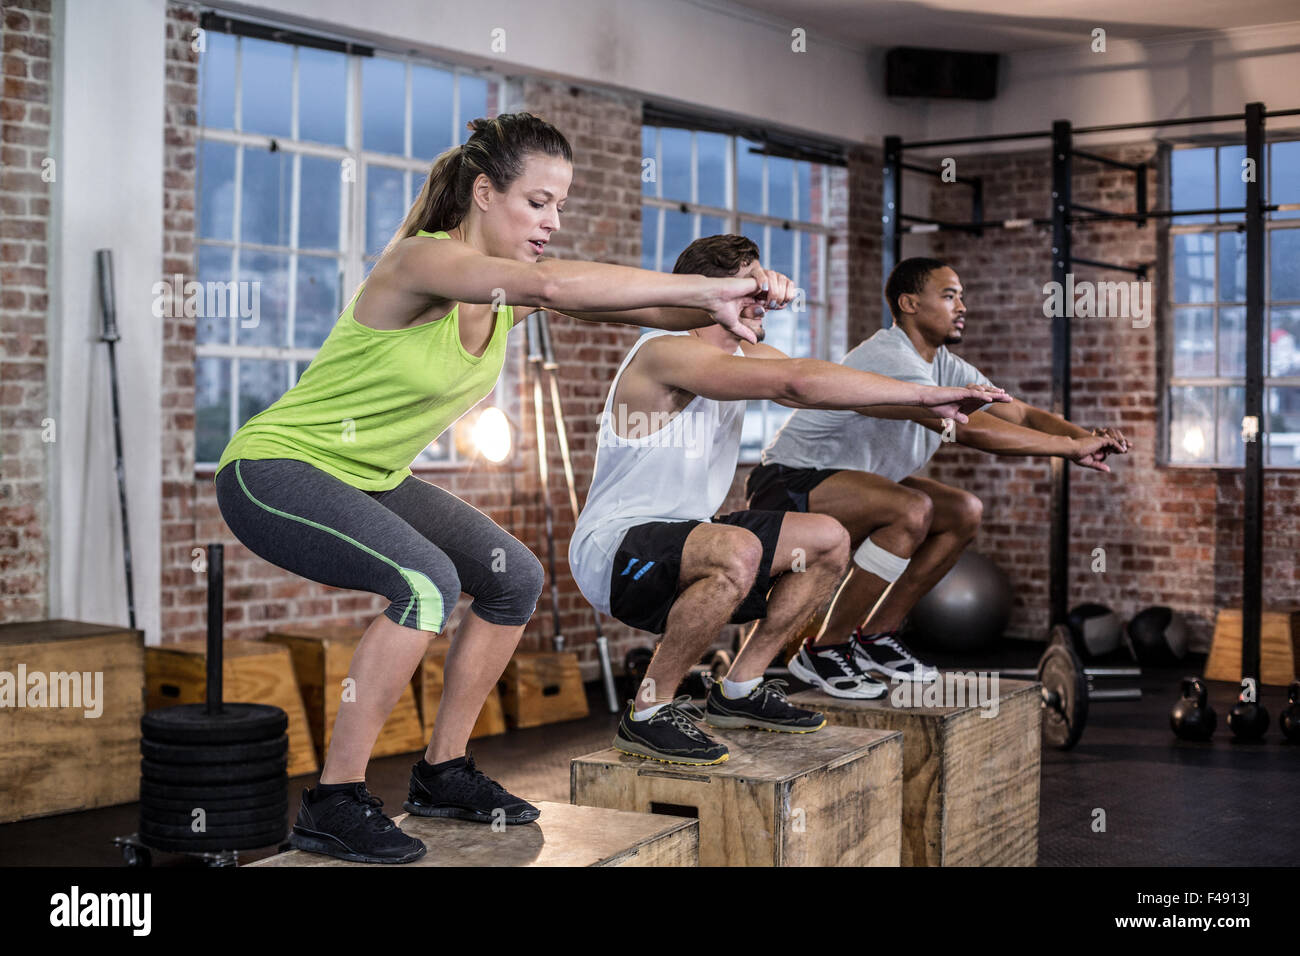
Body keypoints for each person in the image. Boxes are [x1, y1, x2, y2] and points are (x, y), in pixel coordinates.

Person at [213, 113, 778, 864]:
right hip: (275, 470)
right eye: (538, 202)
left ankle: (443, 772)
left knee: (515, 576)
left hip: (371, 477)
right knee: (426, 582)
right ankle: (333, 801)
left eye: (561, 206)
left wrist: (723, 303)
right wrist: (718, 284)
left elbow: (638, 308)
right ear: (484, 192)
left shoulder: (504, 296)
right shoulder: (422, 262)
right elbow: (552, 280)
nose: (552, 221)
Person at [567, 236, 1008, 766]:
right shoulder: (667, 351)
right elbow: (795, 382)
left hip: (684, 542)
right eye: (753, 287)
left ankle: (740, 689)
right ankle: (647, 713)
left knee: (827, 539)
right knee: (737, 549)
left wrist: (922, 393)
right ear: (714, 294)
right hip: (614, 552)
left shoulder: (741, 352)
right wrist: (923, 395)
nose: (765, 299)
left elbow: (818, 378)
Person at [746, 257, 1130, 693]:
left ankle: (876, 635)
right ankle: (824, 651)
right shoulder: (890, 355)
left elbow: (1018, 412)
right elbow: (974, 430)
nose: (962, 306)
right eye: (949, 296)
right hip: (787, 481)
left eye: (961, 296)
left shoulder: (945, 364)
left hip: (855, 482)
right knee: (911, 508)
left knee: (962, 511)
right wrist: (1069, 449)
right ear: (909, 303)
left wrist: (1086, 438)